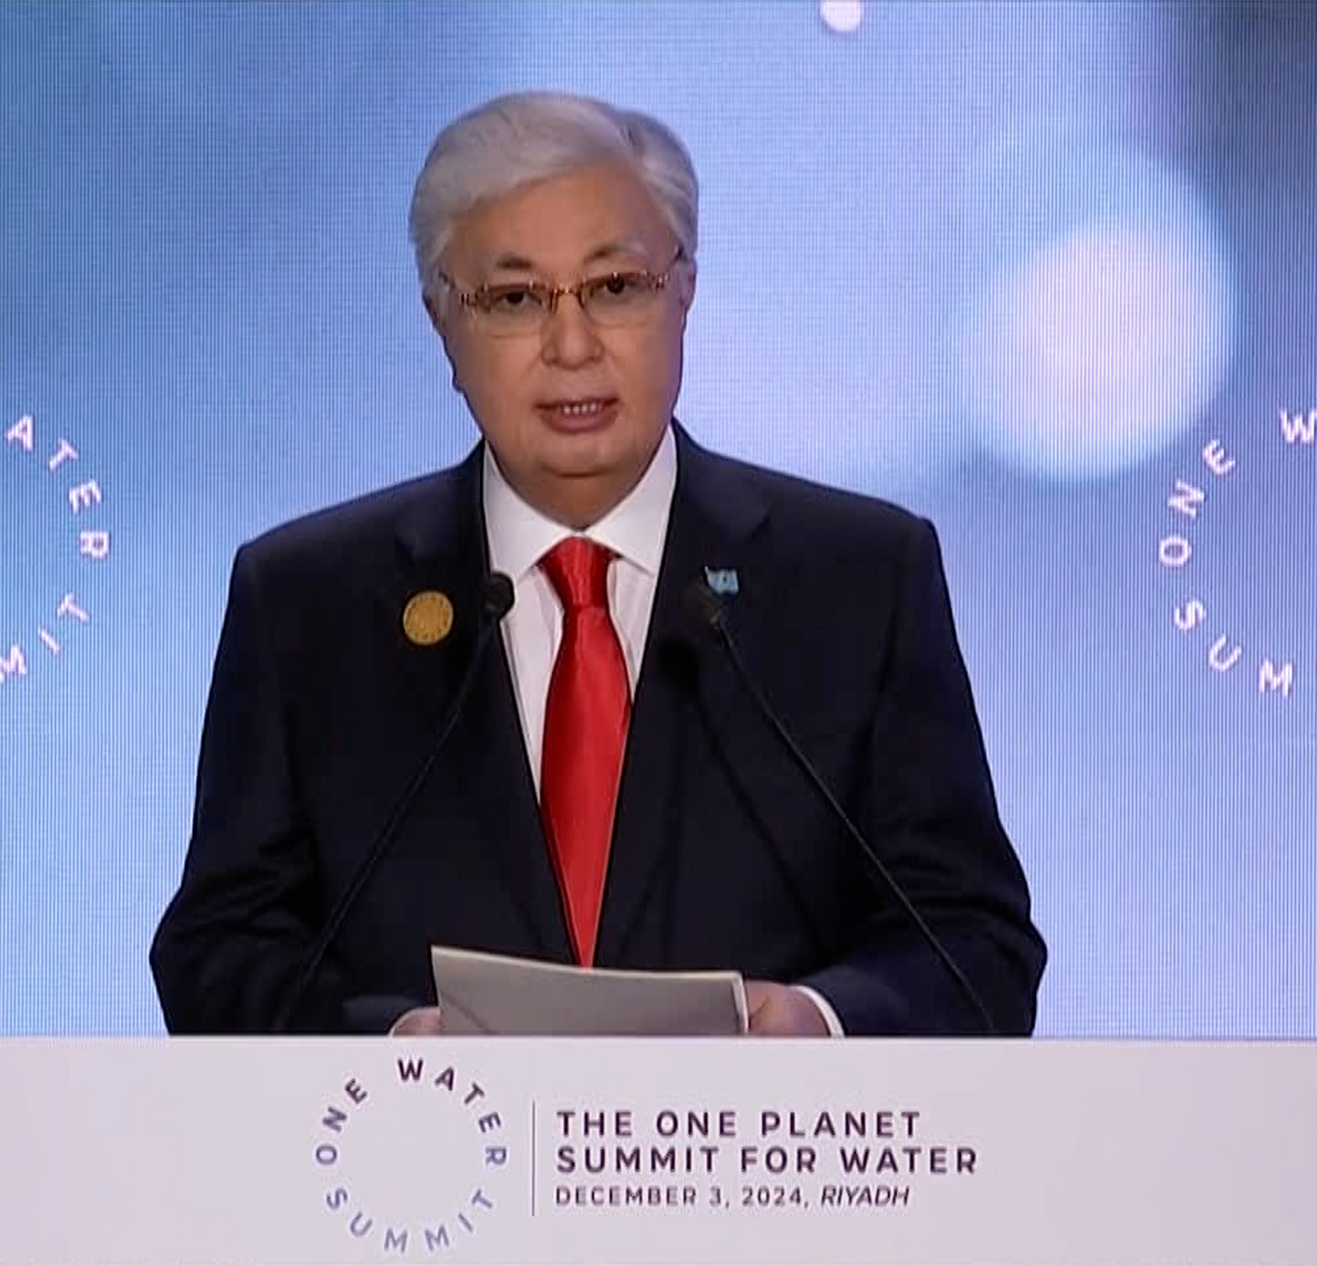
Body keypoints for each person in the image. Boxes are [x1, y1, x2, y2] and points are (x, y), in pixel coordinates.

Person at [152, 91, 1045, 1037]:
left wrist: (817, 1022)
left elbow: (975, 943)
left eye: (615, 287)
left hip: (755, 1136)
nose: (572, 347)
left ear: (684, 290)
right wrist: (389, 1043)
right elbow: (218, 952)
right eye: (514, 299)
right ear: (441, 321)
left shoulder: (860, 580)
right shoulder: (308, 606)